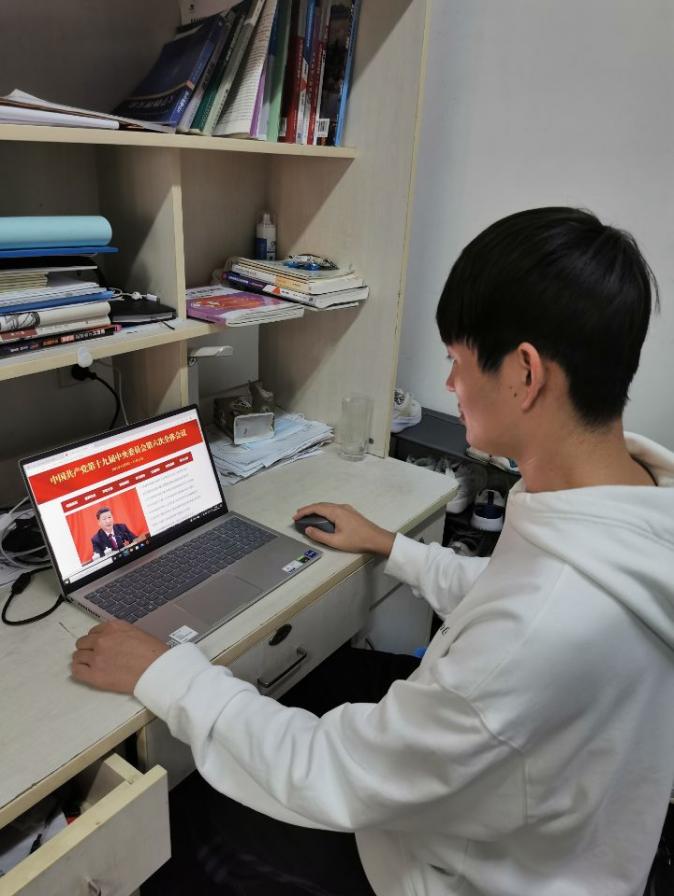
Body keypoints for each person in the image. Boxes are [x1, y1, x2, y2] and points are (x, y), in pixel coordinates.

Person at [71, 207, 674, 896]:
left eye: (456, 361)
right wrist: (395, 548)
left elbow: (331, 775)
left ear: (525, 373)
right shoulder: (632, 510)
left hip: (444, 875)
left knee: (179, 818)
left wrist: (166, 672)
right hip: (559, 836)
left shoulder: (533, 636)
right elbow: (512, 590)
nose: (448, 385)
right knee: (321, 681)